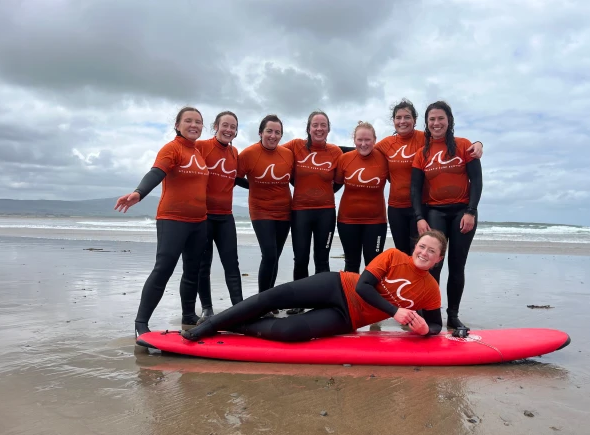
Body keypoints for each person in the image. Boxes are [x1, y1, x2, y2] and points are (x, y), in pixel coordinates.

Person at [180, 231, 448, 342]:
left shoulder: (430, 289)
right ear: (415, 247)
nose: (424, 252)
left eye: (431, 251)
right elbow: (364, 286)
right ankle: (209, 325)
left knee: (289, 331)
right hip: (337, 285)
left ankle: (231, 325)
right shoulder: (393, 256)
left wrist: (426, 330)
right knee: (272, 297)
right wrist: (394, 312)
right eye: (422, 246)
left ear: (439, 259)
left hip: (347, 317)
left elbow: (436, 324)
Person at [114, 107, 209, 337]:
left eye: (198, 122)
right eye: (188, 121)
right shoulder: (172, 148)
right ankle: (140, 323)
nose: (194, 125)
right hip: (173, 220)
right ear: (177, 125)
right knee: (163, 269)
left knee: (192, 271)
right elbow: (157, 172)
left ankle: (189, 316)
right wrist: (139, 192)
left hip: (199, 221)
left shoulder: (198, 152)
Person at [374, 99, 483, 255]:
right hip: (397, 207)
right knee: (402, 255)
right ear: (393, 121)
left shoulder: (426, 138)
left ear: (415, 120)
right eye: (398, 118)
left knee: (421, 256)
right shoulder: (386, 144)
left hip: (422, 206)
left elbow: (447, 140)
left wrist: (478, 143)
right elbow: (364, 148)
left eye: (407, 117)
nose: (402, 121)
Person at [410, 100, 483, 332]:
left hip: (462, 212)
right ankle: (432, 315)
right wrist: (420, 217)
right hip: (435, 212)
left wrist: (471, 211)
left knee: (457, 265)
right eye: (432, 119)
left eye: (441, 118)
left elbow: (477, 181)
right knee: (432, 266)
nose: (436, 123)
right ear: (427, 123)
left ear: (449, 120)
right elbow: (415, 189)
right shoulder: (422, 153)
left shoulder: (464, 146)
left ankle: (453, 316)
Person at [280, 111, 344, 315]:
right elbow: (275, 156)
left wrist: (323, 193)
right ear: (308, 128)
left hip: (325, 212)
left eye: (323, 125)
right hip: (300, 212)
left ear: (328, 128)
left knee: (322, 258)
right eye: (315, 125)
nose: (319, 129)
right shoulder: (294, 146)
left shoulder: (335, 152)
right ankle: (298, 300)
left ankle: (322, 302)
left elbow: (340, 181)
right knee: (300, 258)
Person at [192, 111, 250, 321]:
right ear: (215, 126)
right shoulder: (201, 147)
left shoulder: (235, 154)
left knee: (231, 263)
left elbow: (237, 179)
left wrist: (265, 186)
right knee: (203, 264)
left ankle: (239, 307)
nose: (229, 130)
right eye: (225, 125)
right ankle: (207, 308)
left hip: (225, 217)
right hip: (203, 216)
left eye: (233, 127)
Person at [237, 114, 295, 303]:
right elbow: (236, 177)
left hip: (284, 211)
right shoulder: (248, 154)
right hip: (260, 210)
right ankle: (262, 301)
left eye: (277, 132)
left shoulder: (287, 154)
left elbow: (295, 178)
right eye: (269, 131)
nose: (273, 135)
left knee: (275, 256)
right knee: (269, 254)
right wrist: (253, 185)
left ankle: (268, 300)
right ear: (260, 132)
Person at [334, 121, 390, 274]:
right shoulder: (345, 159)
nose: (364, 144)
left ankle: (369, 298)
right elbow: (335, 184)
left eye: (368, 140)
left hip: (376, 222)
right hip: (347, 221)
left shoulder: (384, 159)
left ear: (375, 140)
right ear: (354, 140)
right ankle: (350, 298)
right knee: (351, 264)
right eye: (360, 140)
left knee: (373, 267)